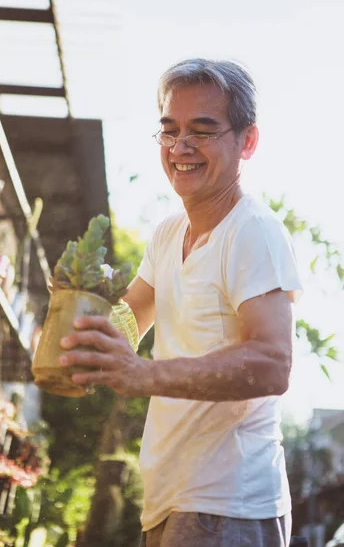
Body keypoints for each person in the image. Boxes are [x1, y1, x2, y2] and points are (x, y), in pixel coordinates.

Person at [58, 58, 302, 547]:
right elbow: (127, 320)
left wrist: (144, 375)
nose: (181, 147)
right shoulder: (170, 233)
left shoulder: (252, 230)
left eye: (203, 131)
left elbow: (274, 364)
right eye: (169, 131)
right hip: (172, 497)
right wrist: (78, 305)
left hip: (225, 503)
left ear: (246, 141)